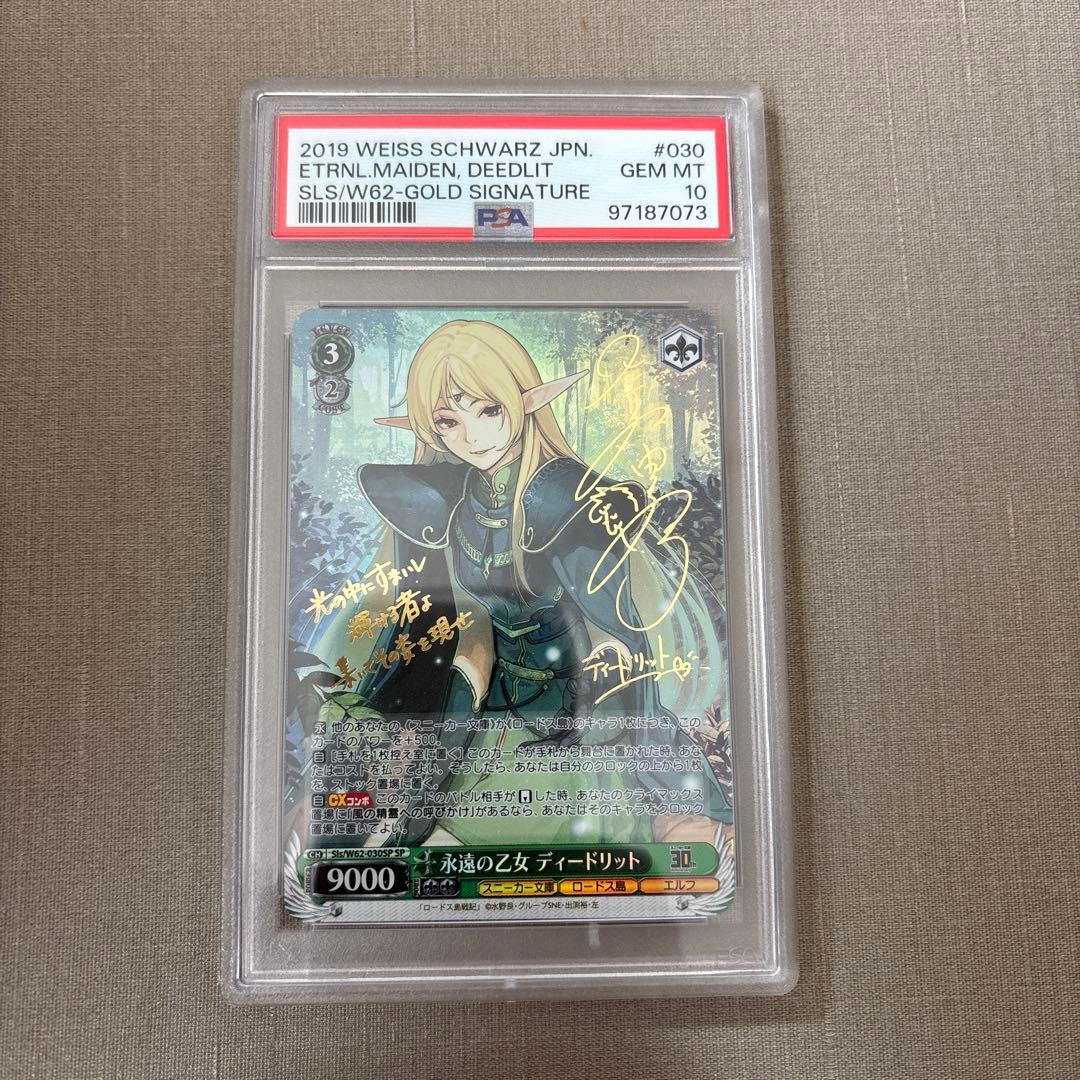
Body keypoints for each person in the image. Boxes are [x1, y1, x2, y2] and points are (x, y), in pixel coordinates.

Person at [332, 319, 731, 848]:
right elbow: (446, 623)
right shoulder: (450, 503)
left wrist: (611, 685)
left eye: (489, 411)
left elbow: (615, 628)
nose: (472, 436)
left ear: (523, 402)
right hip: (492, 706)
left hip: (576, 713)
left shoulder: (568, 499)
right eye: (449, 421)